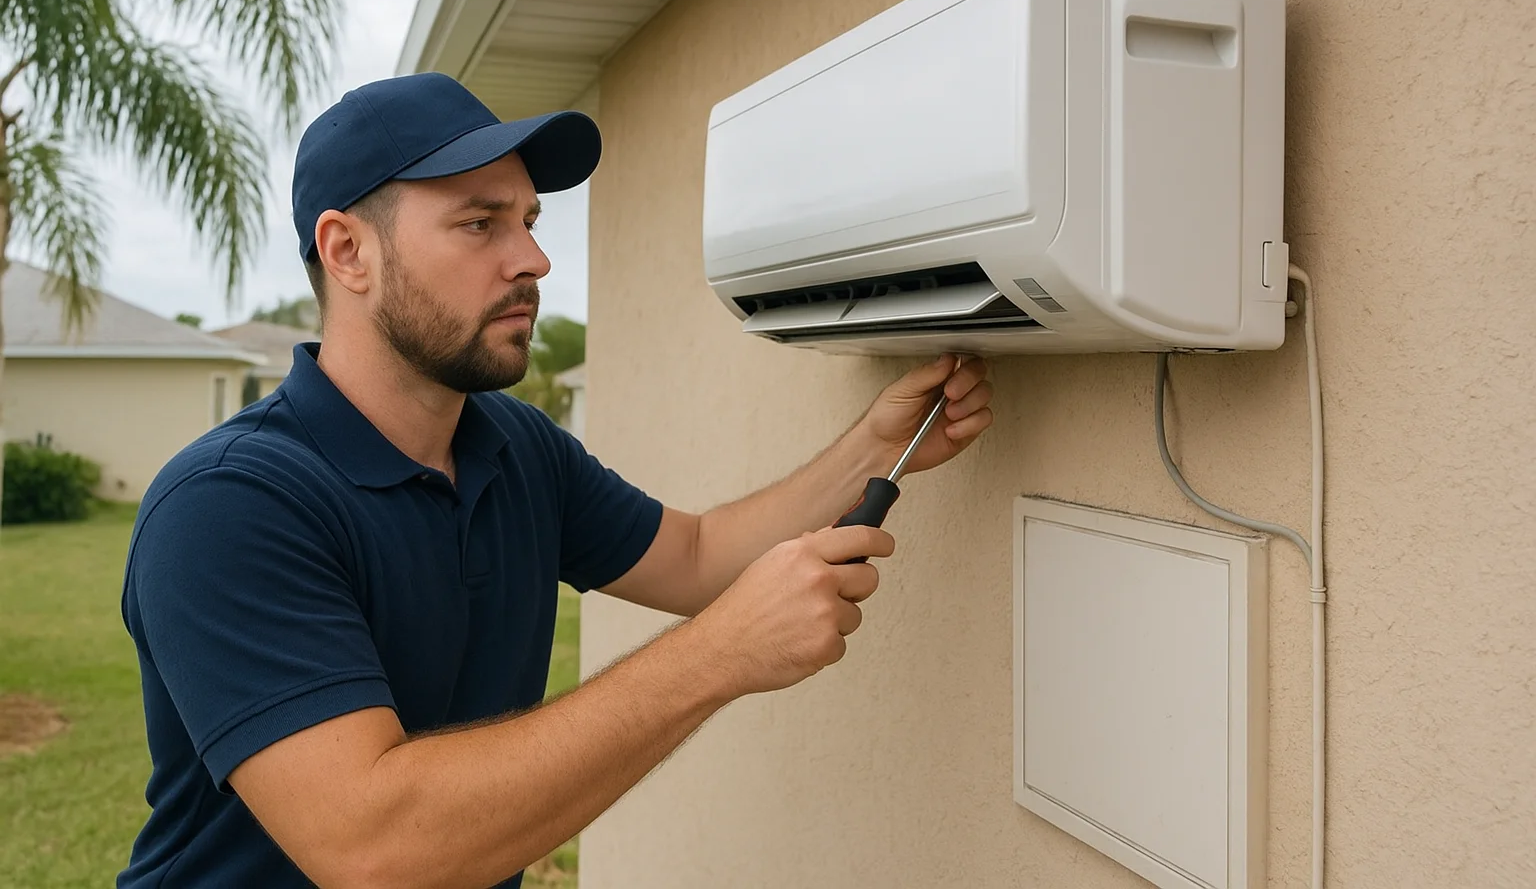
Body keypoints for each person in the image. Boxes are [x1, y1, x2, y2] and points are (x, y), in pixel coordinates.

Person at [116, 72, 994, 889]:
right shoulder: (229, 506)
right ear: (348, 251)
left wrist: (874, 449)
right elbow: (372, 844)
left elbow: (693, 555)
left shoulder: (513, 446)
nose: (532, 260)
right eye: (480, 224)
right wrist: (721, 654)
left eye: (530, 222)